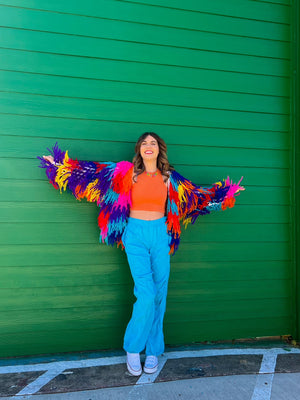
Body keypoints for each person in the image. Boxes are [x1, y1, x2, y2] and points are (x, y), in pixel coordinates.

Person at [40, 132, 245, 376]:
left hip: (160, 234)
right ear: (139, 149)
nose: (149, 146)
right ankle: (133, 348)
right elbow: (94, 173)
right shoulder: (126, 172)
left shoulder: (169, 177)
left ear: (160, 150)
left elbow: (195, 197)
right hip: (135, 235)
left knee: (159, 294)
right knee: (146, 294)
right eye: (145, 143)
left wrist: (221, 197)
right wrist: (62, 168)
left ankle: (153, 351)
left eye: (154, 143)